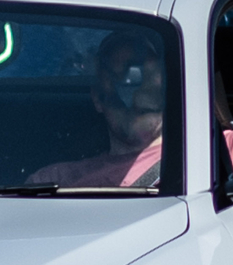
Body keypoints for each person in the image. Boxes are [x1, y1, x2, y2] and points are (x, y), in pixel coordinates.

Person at [27, 30, 169, 188]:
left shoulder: (191, 167)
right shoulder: (53, 180)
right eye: (125, 80)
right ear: (97, 98)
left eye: (149, 75)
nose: (138, 94)